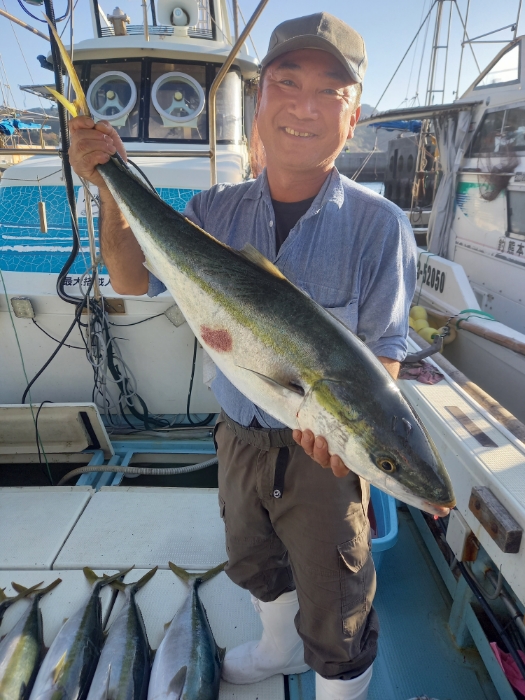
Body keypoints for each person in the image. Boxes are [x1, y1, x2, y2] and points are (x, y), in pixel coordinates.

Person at [69, 13, 419, 700]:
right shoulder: (211, 209)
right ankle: (276, 648)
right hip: (238, 440)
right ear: (259, 102)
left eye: (329, 93)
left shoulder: (383, 228)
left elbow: (382, 359)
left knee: (334, 590)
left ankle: (339, 681)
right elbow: (133, 279)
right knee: (253, 559)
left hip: (324, 457)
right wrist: (106, 185)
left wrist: (356, 446)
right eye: (286, 83)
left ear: (352, 118)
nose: (303, 107)